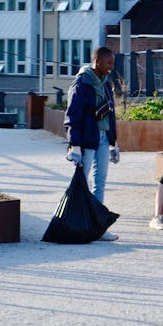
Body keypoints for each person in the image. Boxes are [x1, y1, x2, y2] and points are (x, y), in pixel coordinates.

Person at [64, 46, 119, 241]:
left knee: (100, 182)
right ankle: (74, 225)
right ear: (97, 62)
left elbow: (110, 114)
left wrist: (113, 143)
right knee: (81, 183)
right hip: (87, 139)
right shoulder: (81, 84)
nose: (112, 67)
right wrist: (75, 145)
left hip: (103, 137)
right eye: (109, 63)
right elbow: (72, 116)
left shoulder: (104, 83)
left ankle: (98, 227)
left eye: (112, 62)